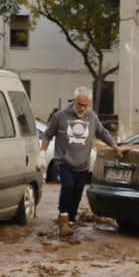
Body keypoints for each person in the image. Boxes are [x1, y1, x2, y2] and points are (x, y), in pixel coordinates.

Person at [39, 87, 117, 235]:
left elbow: (102, 133)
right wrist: (42, 153)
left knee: (77, 194)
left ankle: (71, 221)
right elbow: (47, 135)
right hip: (64, 162)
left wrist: (115, 146)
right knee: (67, 186)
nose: (82, 108)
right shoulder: (60, 116)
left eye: (86, 105)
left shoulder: (92, 117)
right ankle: (63, 217)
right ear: (74, 101)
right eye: (80, 104)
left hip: (82, 164)